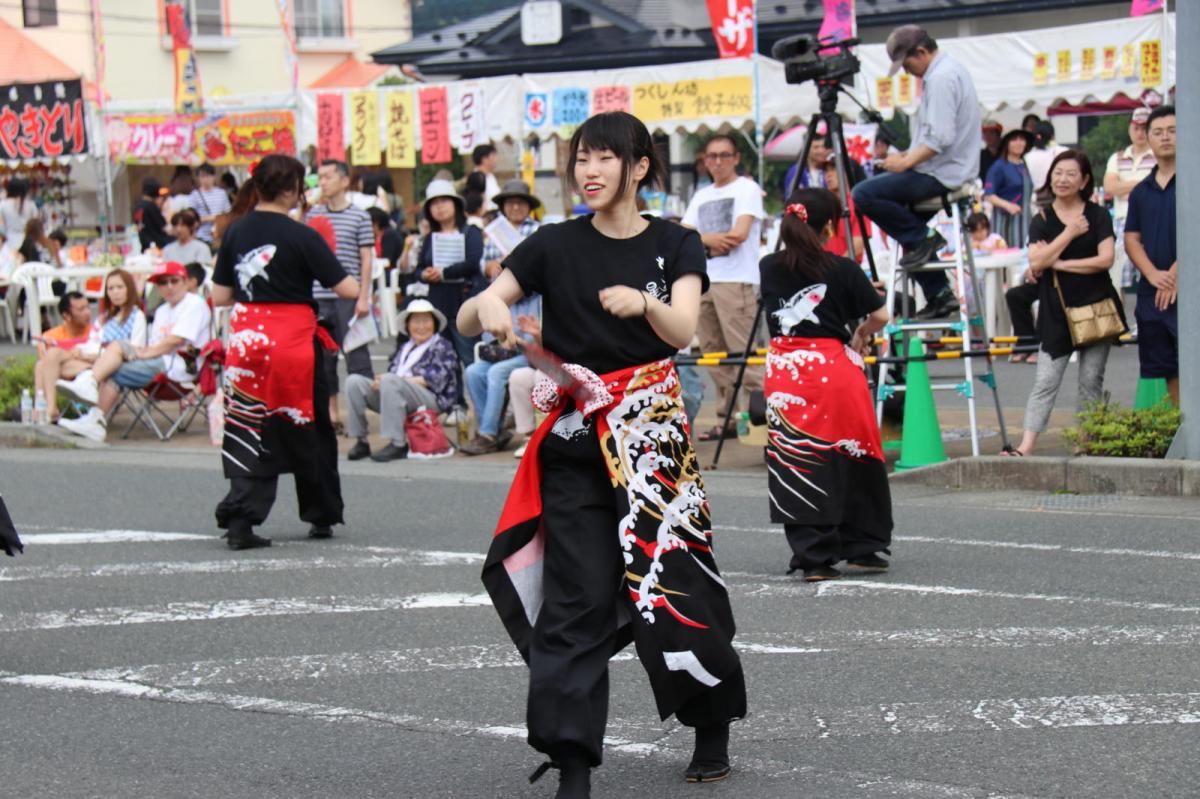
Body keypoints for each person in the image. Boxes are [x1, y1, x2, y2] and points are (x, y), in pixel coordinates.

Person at [458, 110, 745, 798]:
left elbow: (678, 327)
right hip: (576, 442)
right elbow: (479, 307)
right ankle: (574, 763)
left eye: (603, 158)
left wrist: (641, 302)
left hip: (653, 442)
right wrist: (488, 309)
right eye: (580, 159)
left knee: (678, 592)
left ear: (639, 166)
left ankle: (710, 723)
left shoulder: (677, 243)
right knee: (574, 604)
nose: (588, 171)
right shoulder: (552, 243)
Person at [208, 154, 360, 550]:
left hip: (247, 343)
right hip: (293, 342)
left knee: (248, 423)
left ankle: (241, 517)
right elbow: (348, 289)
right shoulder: (303, 234)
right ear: (292, 190)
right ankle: (321, 514)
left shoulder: (236, 232)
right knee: (306, 425)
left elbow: (220, 295)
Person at [759, 189, 892, 581]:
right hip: (835, 369)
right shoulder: (843, 268)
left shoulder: (769, 266)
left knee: (798, 457)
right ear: (830, 225)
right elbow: (881, 313)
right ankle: (862, 546)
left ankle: (814, 557)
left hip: (788, 370)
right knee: (853, 452)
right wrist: (863, 333)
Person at [851, 25, 980, 320]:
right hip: (943, 167)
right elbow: (935, 137)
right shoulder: (949, 71)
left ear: (921, 52)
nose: (908, 72)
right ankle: (939, 293)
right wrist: (905, 158)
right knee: (901, 224)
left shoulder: (941, 77)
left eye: (907, 64)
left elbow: (940, 138)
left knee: (863, 193)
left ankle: (924, 239)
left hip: (942, 173)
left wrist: (905, 163)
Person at [1005, 151, 1122, 457]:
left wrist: (1060, 264)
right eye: (1058, 173)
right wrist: (1069, 233)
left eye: (1071, 174)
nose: (1062, 179)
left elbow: (1105, 259)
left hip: (1096, 307)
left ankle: (1088, 443)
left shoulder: (1097, 215)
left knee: (1090, 381)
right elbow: (1036, 260)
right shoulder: (1042, 219)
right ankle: (1026, 446)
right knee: (1045, 380)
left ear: (1084, 180)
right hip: (1055, 310)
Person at [57, 262, 212, 443]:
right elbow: (155, 343)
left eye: (174, 281)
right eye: (162, 283)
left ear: (185, 282)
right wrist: (145, 352)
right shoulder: (162, 310)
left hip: (182, 366)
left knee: (113, 362)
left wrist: (146, 353)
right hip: (158, 361)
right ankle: (93, 415)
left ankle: (90, 387)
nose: (169, 287)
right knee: (114, 362)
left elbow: (177, 340)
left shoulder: (194, 304)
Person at [681, 133, 765, 440]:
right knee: (713, 353)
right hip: (704, 280)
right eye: (711, 156)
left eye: (724, 155)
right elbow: (684, 235)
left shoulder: (747, 189)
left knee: (745, 353)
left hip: (736, 279)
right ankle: (726, 419)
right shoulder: (700, 195)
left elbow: (739, 234)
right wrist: (713, 241)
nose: (717, 162)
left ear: (736, 158)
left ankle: (761, 421)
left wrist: (704, 240)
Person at [461, 180, 543, 455]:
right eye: (510, 202)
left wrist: (517, 263)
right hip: (503, 304)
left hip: (529, 328)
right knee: (473, 372)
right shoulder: (493, 233)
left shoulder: (538, 232)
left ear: (529, 207)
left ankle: (487, 433)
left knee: (497, 372)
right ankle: (493, 427)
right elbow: (484, 267)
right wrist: (494, 267)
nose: (516, 206)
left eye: (521, 202)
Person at [344, 299, 458, 462]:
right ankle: (361, 441)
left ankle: (397, 443)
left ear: (434, 324)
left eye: (426, 321)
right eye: (416, 322)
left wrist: (395, 381)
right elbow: (392, 374)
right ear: (407, 325)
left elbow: (435, 379)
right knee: (354, 382)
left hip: (431, 398)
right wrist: (382, 382)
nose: (421, 326)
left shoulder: (442, 345)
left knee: (390, 380)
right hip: (398, 393)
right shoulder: (405, 348)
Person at [308, 159, 376, 427]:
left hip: (348, 296)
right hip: (317, 295)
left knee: (357, 355)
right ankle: (332, 414)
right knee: (323, 360)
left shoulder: (360, 215)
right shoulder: (312, 216)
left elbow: (366, 258)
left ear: (345, 181)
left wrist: (363, 297)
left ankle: (361, 413)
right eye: (319, 177)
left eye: (327, 176)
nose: (322, 182)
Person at [1125, 105, 1178, 405]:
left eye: (1172, 131)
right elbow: (1132, 238)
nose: (1165, 137)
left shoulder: (1193, 181)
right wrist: (1154, 275)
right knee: (1166, 366)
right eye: (1158, 132)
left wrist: (1178, 272)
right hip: (1153, 291)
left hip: (1188, 288)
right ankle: (1185, 434)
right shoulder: (1140, 191)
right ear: (1147, 138)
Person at [40, 273, 145, 422]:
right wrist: (79, 351)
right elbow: (93, 341)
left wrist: (89, 355)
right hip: (91, 359)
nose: (115, 292)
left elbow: (135, 349)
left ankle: (46, 410)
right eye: (111, 288)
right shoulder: (105, 317)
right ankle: (50, 408)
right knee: (51, 356)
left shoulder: (137, 316)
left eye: (120, 287)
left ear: (129, 289)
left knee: (46, 366)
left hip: (113, 364)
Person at [415, 179, 485, 371]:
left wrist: (444, 272)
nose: (440, 207)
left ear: (455, 204)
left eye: (444, 201)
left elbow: (473, 261)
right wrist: (425, 274)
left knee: (470, 358)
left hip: (464, 302)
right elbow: (418, 268)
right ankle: (454, 400)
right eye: (434, 204)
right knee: (444, 358)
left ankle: (478, 400)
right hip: (439, 304)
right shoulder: (430, 237)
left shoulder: (470, 231)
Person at [1104, 107, 1157, 295]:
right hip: (1121, 221)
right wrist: (1142, 184)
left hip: (1151, 219)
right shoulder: (1117, 157)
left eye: (1145, 128)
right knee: (1118, 275)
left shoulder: (1158, 157)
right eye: (1136, 128)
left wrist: (1125, 186)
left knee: (1151, 272)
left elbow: (1156, 187)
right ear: (1130, 129)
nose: (1140, 132)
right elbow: (1110, 187)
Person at [983, 129, 1033, 248]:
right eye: (1014, 140)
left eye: (1021, 139)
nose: (1019, 143)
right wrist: (1008, 205)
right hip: (1005, 221)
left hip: (1024, 219)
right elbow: (989, 195)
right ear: (1007, 144)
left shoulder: (1024, 165)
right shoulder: (999, 166)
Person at [820, 157, 872, 263]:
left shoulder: (858, 203)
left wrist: (837, 268)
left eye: (833, 169)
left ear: (848, 173)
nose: (828, 175)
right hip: (821, 270)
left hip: (847, 271)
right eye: (826, 170)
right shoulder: (821, 204)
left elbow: (858, 245)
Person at [186, 163, 232, 248]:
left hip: (219, 235)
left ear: (214, 177)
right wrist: (212, 217)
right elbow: (191, 217)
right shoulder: (194, 195)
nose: (206, 179)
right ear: (198, 178)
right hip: (201, 236)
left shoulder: (221, 193)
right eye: (202, 176)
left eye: (208, 176)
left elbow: (228, 213)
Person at [1025, 120, 1067, 200]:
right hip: (1059, 198)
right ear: (1052, 136)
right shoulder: (1063, 152)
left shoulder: (1027, 156)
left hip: (1035, 200)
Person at [132, 177, 173, 252]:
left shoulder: (138, 207)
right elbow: (164, 227)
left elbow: (138, 225)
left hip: (145, 245)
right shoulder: (151, 207)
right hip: (159, 245)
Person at [471, 143, 502, 212]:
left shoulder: (491, 177)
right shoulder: (476, 178)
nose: (496, 159)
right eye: (493, 156)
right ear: (484, 159)